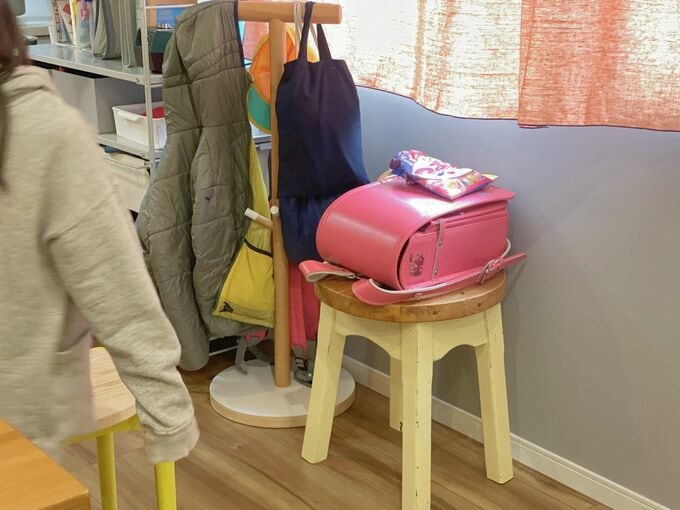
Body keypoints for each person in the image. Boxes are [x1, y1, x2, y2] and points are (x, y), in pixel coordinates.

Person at [0, 0, 198, 463]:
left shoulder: (41, 131)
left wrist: (166, 409)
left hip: (19, 423)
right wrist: (170, 414)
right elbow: (117, 285)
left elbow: (116, 287)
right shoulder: (47, 131)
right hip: (22, 420)